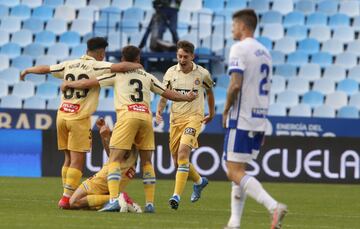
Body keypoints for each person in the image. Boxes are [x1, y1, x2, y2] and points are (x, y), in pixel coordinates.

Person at [61, 45, 197, 213]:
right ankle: (149, 204)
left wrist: (70, 84)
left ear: (122, 60)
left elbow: (87, 83)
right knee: (147, 162)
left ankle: (114, 199)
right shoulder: (148, 76)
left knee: (114, 161)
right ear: (138, 59)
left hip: (127, 115)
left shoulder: (117, 74)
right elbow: (168, 93)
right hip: (146, 117)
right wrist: (187, 97)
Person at [20, 37, 142, 209]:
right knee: (77, 160)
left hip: (62, 115)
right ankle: (66, 198)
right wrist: (138, 65)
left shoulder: (69, 63)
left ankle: (66, 195)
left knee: (67, 158)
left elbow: (45, 69)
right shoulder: (98, 65)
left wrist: (27, 70)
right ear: (101, 53)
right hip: (79, 117)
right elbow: (121, 67)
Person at [222, 9, 287, 229]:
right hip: (259, 118)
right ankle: (234, 223)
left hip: (241, 118)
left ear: (242, 26)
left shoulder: (239, 48)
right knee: (239, 170)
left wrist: (226, 109)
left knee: (233, 171)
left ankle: (273, 206)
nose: (232, 29)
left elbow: (236, 84)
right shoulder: (264, 51)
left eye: (234, 25)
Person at [156, 40, 215, 210]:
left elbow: (210, 92)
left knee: (183, 154)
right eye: (179, 56)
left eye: (185, 57)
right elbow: (164, 94)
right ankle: (199, 181)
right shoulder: (170, 72)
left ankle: (176, 196)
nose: (182, 60)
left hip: (194, 118)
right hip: (175, 120)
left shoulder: (202, 74)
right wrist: (159, 111)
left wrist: (211, 113)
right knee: (178, 162)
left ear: (192, 56)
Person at [69, 118, 141, 213]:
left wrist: (106, 137)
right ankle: (118, 200)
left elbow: (121, 155)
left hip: (108, 176)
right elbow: (114, 156)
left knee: (73, 202)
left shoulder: (127, 125)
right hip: (121, 175)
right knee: (86, 206)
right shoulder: (135, 127)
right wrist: (104, 135)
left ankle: (118, 198)